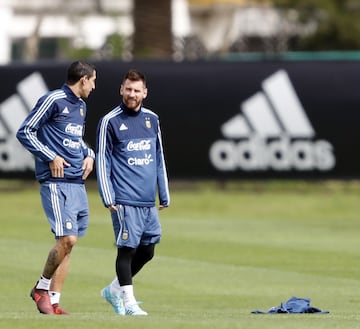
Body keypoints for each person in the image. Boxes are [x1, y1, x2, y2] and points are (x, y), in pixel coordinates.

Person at [16, 61, 96, 315]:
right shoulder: (53, 100)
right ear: (83, 79)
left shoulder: (81, 106)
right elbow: (25, 131)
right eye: (93, 81)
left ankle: (54, 301)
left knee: (68, 244)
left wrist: (89, 154)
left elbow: (75, 139)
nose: (94, 86)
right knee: (67, 238)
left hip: (77, 183)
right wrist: (50, 156)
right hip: (55, 182)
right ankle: (40, 288)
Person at [96, 69, 170, 316]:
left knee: (148, 250)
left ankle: (114, 289)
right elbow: (102, 161)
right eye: (128, 89)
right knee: (126, 250)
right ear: (121, 89)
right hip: (123, 199)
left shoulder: (152, 119)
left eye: (137, 90)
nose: (132, 94)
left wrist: (164, 193)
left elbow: (159, 157)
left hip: (147, 200)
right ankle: (128, 302)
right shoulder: (110, 121)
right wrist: (108, 196)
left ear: (145, 93)